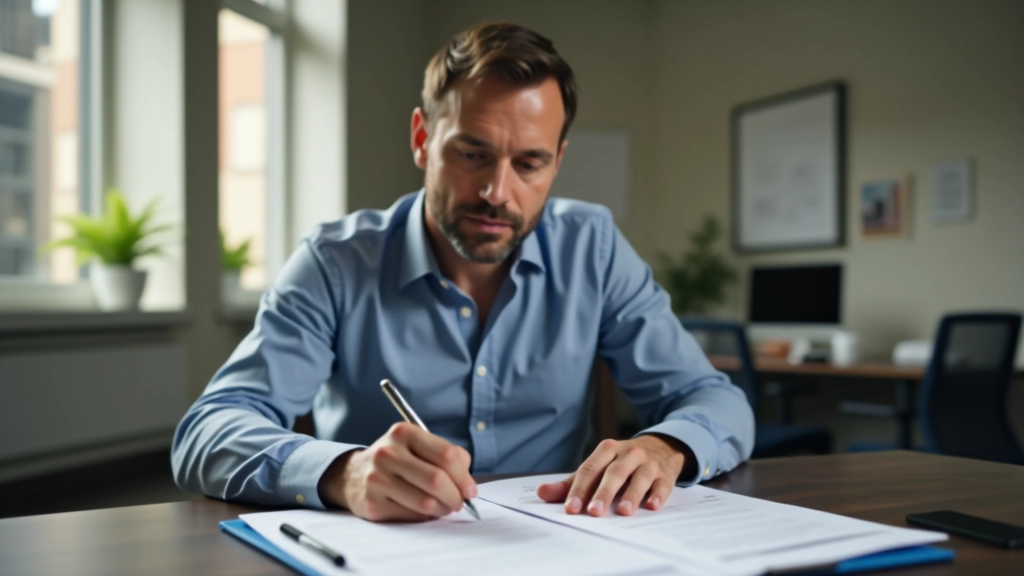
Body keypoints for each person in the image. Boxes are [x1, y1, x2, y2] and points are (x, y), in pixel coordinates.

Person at [172, 21, 753, 522]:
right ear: (423, 140)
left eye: (530, 163)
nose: (497, 192)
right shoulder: (335, 261)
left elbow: (714, 399)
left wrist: (665, 446)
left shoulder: (593, 247)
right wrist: (342, 473)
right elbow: (208, 432)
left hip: (561, 546)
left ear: (558, 162)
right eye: (472, 154)